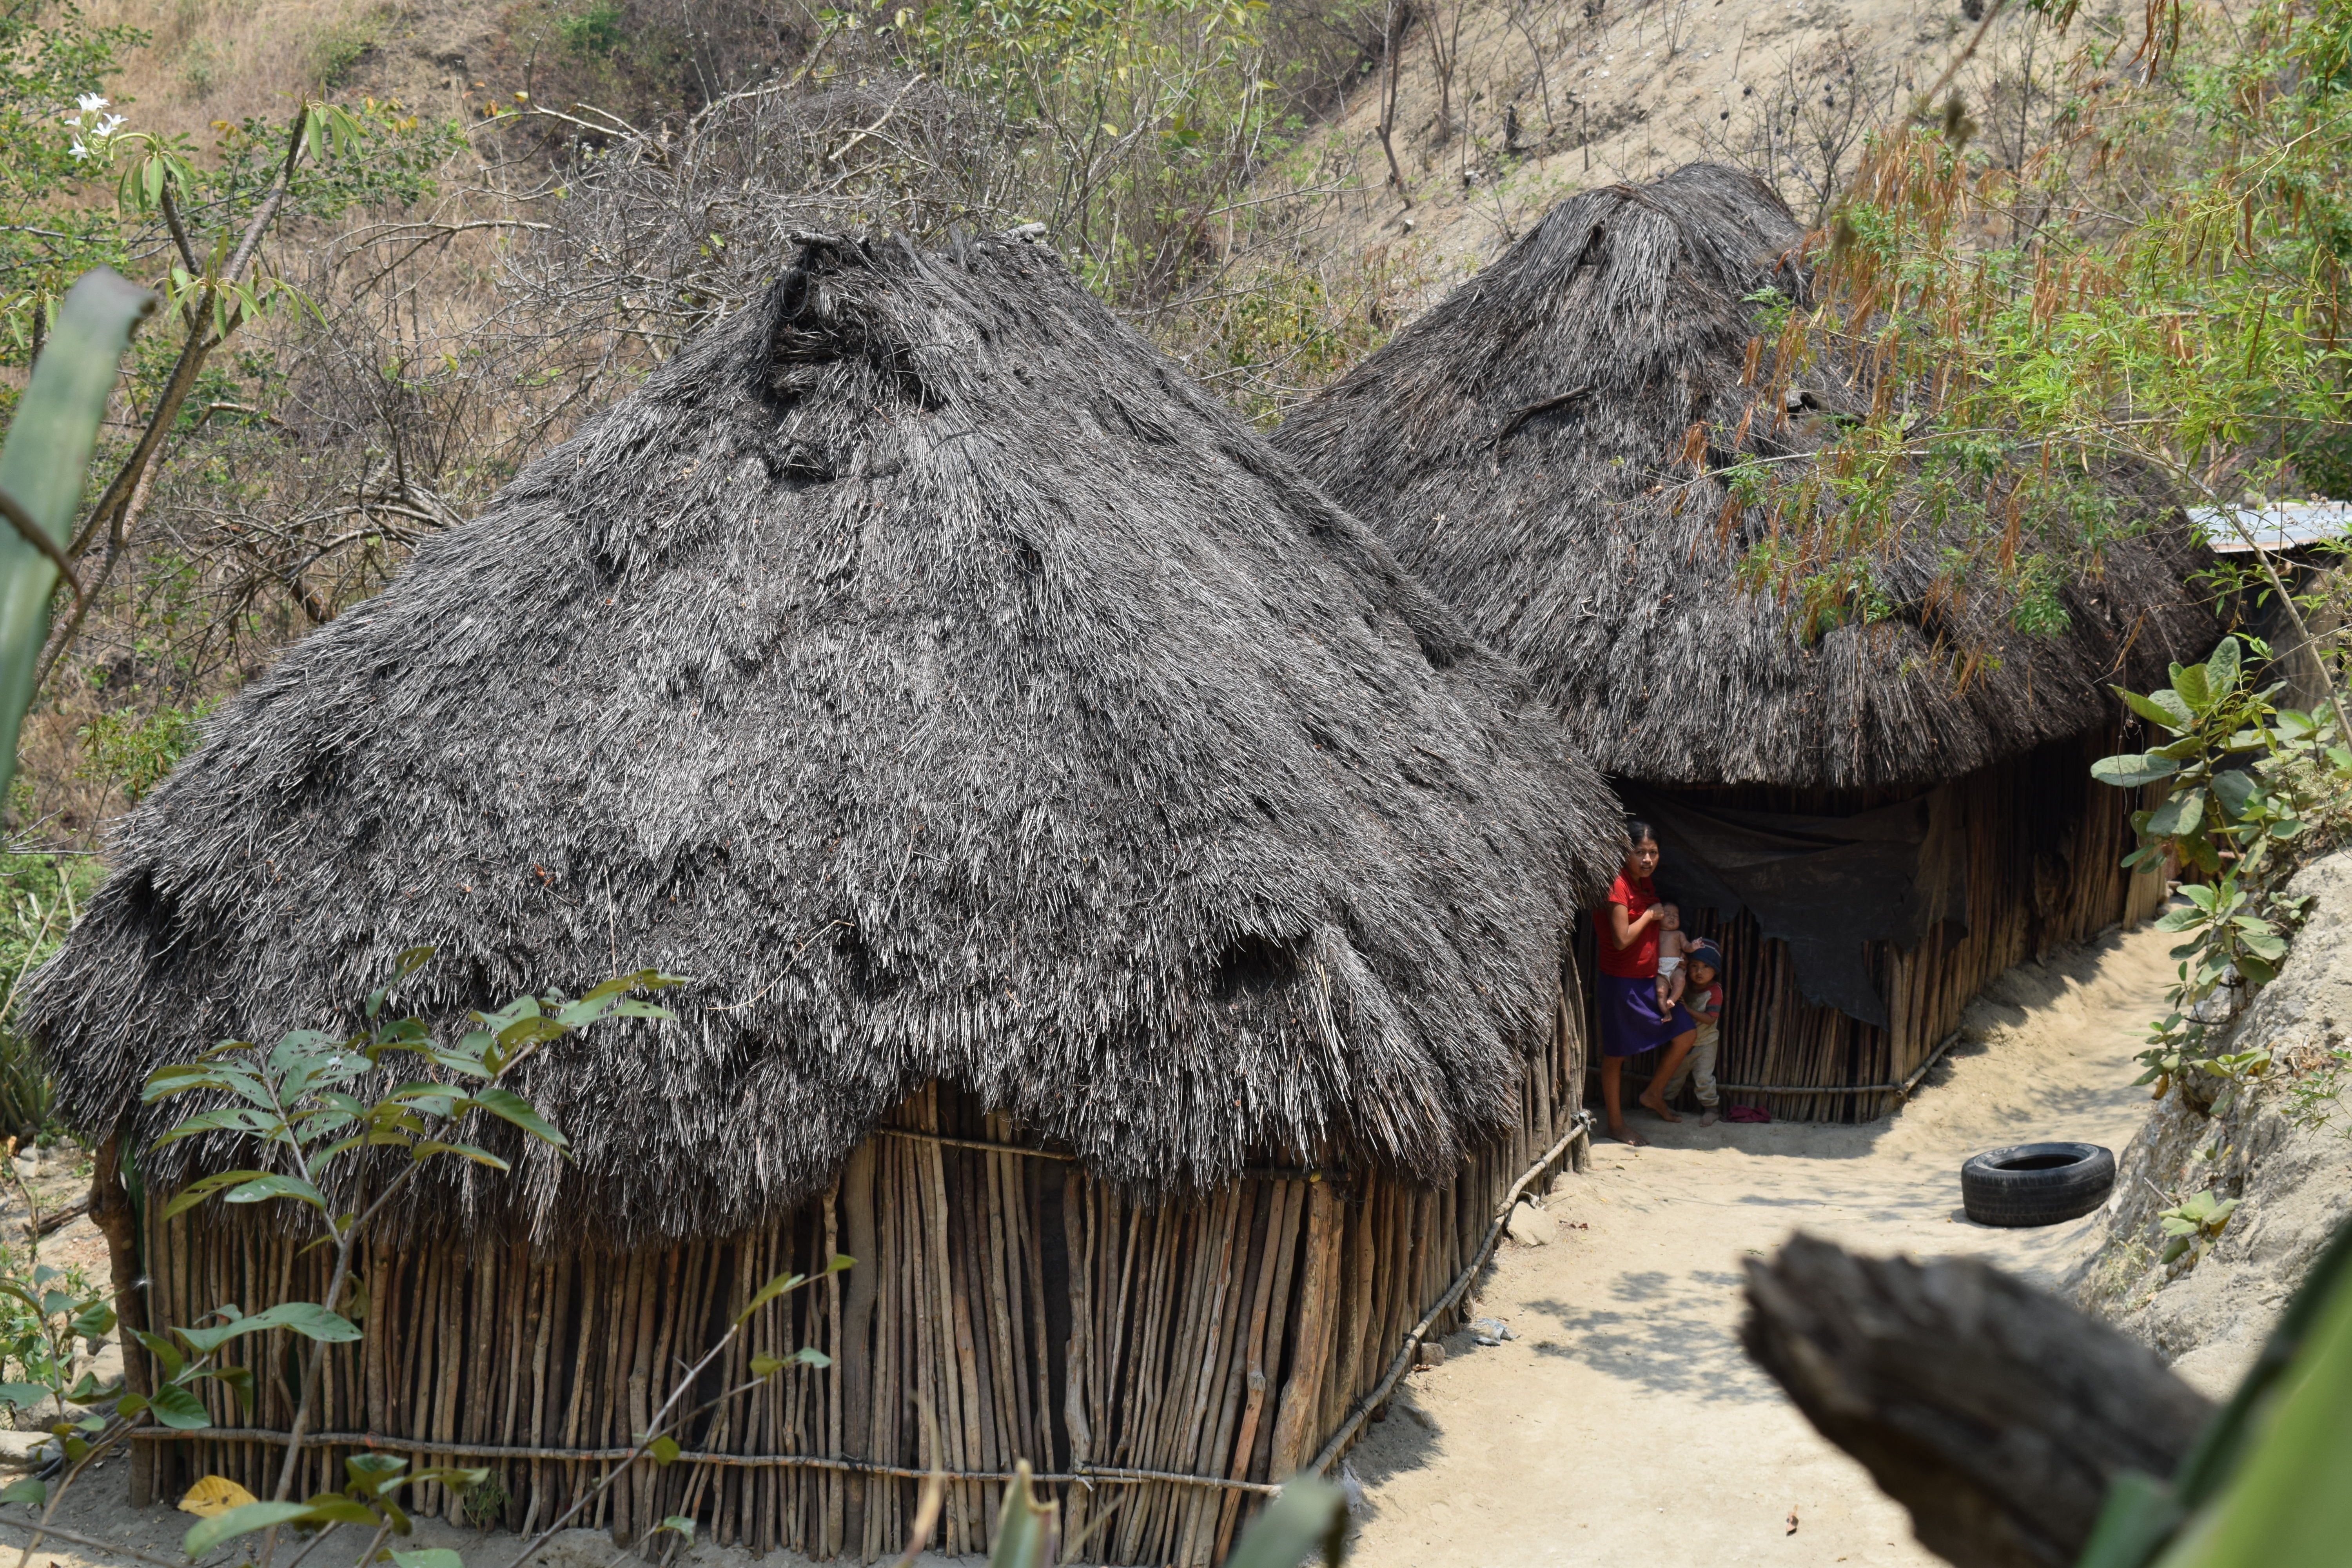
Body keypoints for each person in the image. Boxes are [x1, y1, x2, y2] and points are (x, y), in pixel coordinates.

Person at [1593, 822, 1700, 1145]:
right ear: (1625, 852)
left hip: (1649, 983)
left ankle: (1653, 1094)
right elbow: (1622, 939)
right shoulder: (1618, 885)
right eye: (1639, 852)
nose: (1647, 859)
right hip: (1622, 984)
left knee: (1686, 1033)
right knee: (1615, 1055)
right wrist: (1649, 917)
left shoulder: (1644, 884)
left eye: (1653, 852)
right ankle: (1615, 1124)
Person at [1659, 939, 1724, 1127]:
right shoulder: (1683, 985)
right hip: (1682, 1043)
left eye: (1706, 967)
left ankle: (1712, 1109)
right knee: (1674, 1076)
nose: (1699, 971)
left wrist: (1688, 1010)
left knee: (1704, 1078)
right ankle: (1664, 1104)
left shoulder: (1715, 991)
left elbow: (1711, 1019)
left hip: (1706, 1043)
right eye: (1694, 966)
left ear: (1715, 970)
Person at [1653, 903, 1690, 1012]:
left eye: (1676, 916)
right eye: (1667, 914)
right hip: (1659, 971)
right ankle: (1666, 1013)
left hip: (1675, 967)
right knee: (1661, 992)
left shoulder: (1679, 934)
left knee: (1680, 980)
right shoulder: (1654, 933)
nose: (1672, 917)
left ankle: (1672, 999)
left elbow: (1686, 947)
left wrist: (1693, 946)